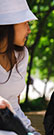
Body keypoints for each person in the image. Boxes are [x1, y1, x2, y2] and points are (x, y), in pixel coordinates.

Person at [0, 0, 39, 134]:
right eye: (25, 23)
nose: (29, 30)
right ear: (9, 25)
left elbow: (15, 100)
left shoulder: (22, 54)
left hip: (19, 124)